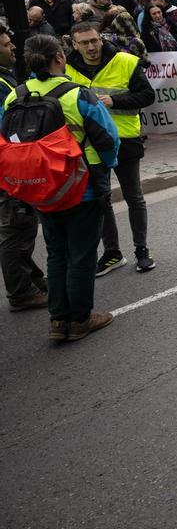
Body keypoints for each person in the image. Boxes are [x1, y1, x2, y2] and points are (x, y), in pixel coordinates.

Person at [1, 35, 120, 342]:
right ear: (59, 57)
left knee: (56, 252)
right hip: (82, 185)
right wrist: (107, 165)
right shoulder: (78, 94)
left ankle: (58, 320)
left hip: (40, 188)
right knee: (81, 253)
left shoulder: (14, 96)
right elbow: (108, 139)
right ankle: (79, 319)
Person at [65, 22, 158, 275]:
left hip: (124, 140)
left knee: (133, 197)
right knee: (101, 200)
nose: (91, 47)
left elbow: (148, 96)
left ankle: (142, 251)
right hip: (90, 144)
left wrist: (114, 100)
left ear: (101, 39)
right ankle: (112, 253)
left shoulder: (125, 61)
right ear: (74, 45)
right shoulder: (67, 68)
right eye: (84, 43)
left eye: (94, 40)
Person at [0, 24, 48, 311]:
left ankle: (32, 278)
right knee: (15, 227)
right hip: (7, 166)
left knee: (21, 223)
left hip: (11, 162)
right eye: (7, 44)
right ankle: (20, 292)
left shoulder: (5, 78)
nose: (13, 48)